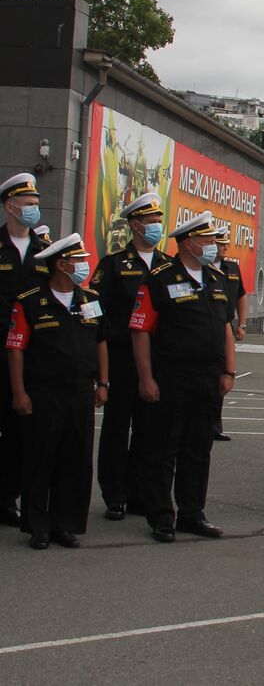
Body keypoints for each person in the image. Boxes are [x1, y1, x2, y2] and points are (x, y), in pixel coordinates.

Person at [128, 210, 235, 542]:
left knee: (198, 447)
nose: (213, 245)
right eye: (207, 240)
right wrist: (146, 378)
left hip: (208, 377)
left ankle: (192, 512)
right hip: (172, 376)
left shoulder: (217, 279)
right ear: (189, 244)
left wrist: (228, 370)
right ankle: (161, 515)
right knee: (164, 448)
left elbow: (225, 327)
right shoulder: (160, 279)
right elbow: (140, 331)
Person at [6, 234, 108, 549]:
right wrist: (19, 392)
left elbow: (101, 342)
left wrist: (103, 383)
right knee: (41, 459)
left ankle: (65, 524)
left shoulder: (89, 299)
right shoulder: (30, 301)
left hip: (80, 392)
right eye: (78, 260)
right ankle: (38, 526)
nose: (83, 265)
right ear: (61, 264)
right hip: (43, 392)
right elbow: (16, 349)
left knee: (74, 459)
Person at [92, 191, 170, 521]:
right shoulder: (113, 265)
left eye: (159, 221)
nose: (157, 226)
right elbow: (97, 313)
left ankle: (139, 491)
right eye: (151, 222)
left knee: (149, 429)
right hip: (123, 357)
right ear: (136, 225)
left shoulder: (169, 265)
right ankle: (115, 493)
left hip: (158, 359)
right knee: (117, 427)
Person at [0, 172, 50, 526]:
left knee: (22, 429)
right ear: (10, 206)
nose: (34, 210)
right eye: (28, 204)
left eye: (36, 204)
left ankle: (10, 497)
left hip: (31, 354)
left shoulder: (44, 250)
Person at [210, 227, 246, 442]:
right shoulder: (203, 268)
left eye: (226, 243)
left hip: (226, 327)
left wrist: (241, 323)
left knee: (223, 376)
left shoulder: (232, 268)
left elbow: (241, 296)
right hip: (208, 327)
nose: (225, 247)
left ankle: (216, 425)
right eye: (220, 243)